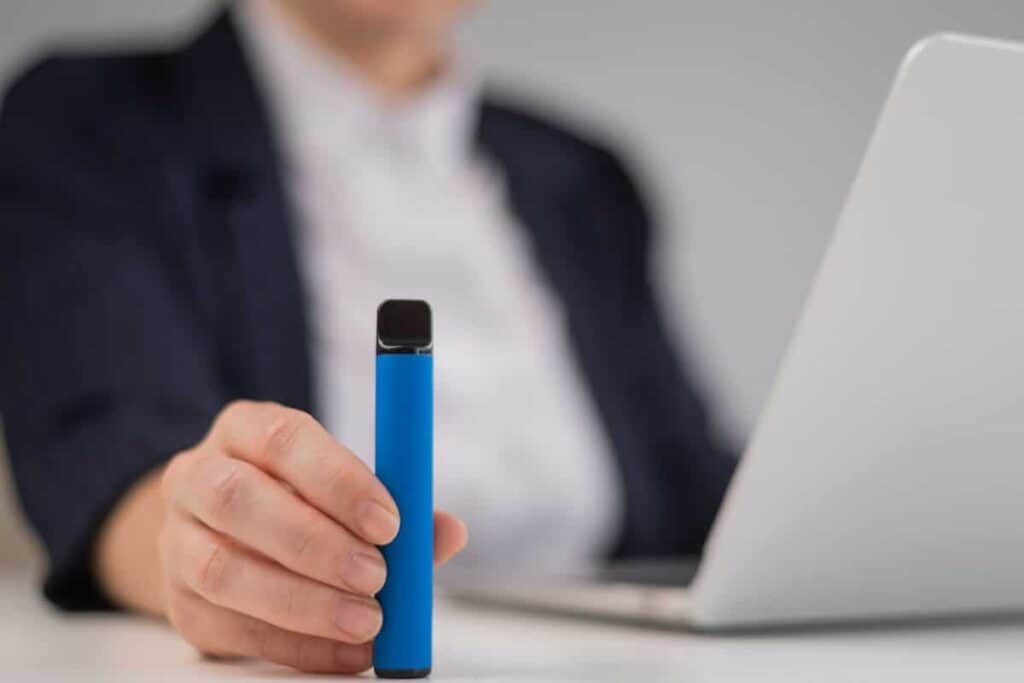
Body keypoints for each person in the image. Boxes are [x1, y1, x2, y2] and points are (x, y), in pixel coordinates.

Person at [0, 0, 735, 674]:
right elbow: (110, 444)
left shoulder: (583, 176)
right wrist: (198, 552)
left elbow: (698, 492)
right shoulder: (90, 124)